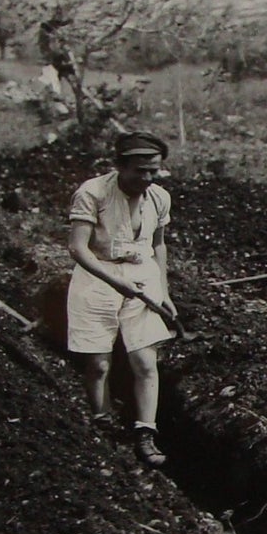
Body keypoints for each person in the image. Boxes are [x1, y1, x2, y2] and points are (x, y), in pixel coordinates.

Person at [66, 131, 179, 468]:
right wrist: (115, 282)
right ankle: (102, 421)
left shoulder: (159, 197)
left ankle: (145, 432)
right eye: (139, 171)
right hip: (96, 277)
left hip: (141, 276)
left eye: (153, 170)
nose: (147, 178)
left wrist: (163, 290)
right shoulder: (93, 192)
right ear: (120, 166)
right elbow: (78, 248)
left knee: (145, 362)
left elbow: (158, 244)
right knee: (99, 363)